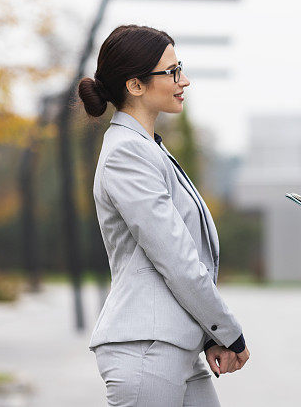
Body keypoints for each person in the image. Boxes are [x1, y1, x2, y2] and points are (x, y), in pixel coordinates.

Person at [80, 25, 249, 406]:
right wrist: (227, 332)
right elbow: (176, 257)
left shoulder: (148, 148)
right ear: (135, 85)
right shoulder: (128, 153)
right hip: (147, 350)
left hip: (174, 348)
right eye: (171, 72)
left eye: (180, 68)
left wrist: (209, 334)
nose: (183, 80)